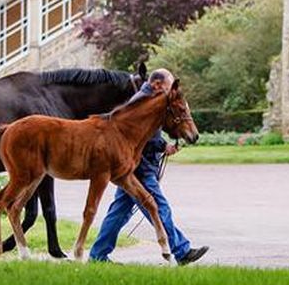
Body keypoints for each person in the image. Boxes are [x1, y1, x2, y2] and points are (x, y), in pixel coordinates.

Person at [89, 70, 208, 266]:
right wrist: (160, 147)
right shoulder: (144, 100)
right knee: (159, 207)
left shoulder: (148, 99)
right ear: (157, 85)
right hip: (141, 167)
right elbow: (138, 136)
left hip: (138, 164)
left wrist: (163, 146)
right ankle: (181, 251)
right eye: (169, 88)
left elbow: (149, 134)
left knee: (120, 212)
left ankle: (98, 254)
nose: (171, 93)